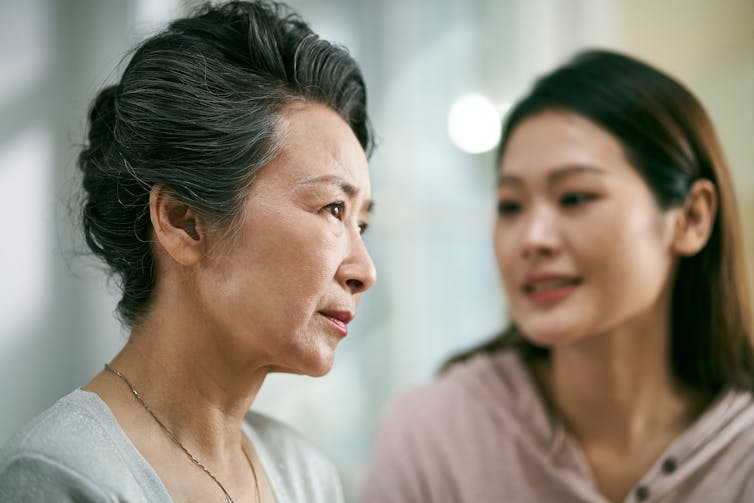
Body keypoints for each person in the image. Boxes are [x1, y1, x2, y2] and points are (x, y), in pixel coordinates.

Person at [0, 1, 376, 502]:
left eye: (363, 224)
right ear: (183, 222)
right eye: (333, 209)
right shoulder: (65, 474)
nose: (364, 271)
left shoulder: (307, 475)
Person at [362, 49, 754, 503]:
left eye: (574, 197)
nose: (533, 238)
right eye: (510, 205)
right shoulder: (433, 436)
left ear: (691, 219)